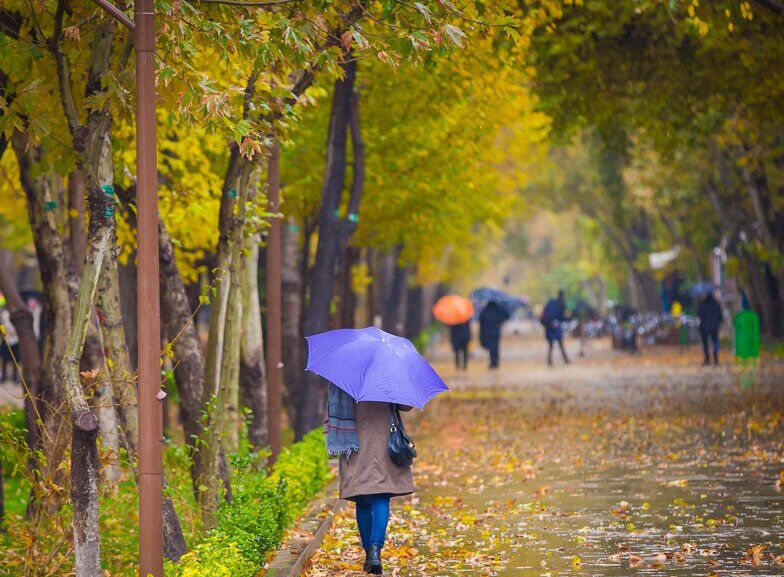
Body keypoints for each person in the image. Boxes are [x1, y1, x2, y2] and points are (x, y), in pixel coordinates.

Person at [327, 384, 414, 575]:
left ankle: (369, 555)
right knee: (381, 497)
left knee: (363, 499)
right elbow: (406, 406)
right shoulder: (386, 374)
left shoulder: (345, 378)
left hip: (354, 442)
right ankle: (375, 550)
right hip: (383, 441)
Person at [541, 290, 570, 367]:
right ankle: (566, 360)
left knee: (551, 344)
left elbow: (544, 311)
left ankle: (550, 360)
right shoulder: (562, 302)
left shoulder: (551, 301)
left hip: (548, 325)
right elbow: (563, 316)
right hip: (556, 324)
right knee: (560, 342)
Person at [479, 301, 510, 369]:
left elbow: (481, 320)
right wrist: (501, 322)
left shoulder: (485, 310)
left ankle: (492, 362)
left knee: (491, 347)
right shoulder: (499, 309)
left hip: (487, 331)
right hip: (496, 331)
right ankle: (495, 362)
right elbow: (507, 315)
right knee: (495, 347)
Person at [697, 292, 723, 365]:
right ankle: (715, 356)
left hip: (704, 327)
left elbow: (699, 314)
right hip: (714, 327)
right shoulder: (716, 304)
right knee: (715, 341)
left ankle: (707, 358)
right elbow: (720, 316)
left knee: (705, 343)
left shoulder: (702, 304)